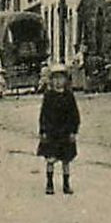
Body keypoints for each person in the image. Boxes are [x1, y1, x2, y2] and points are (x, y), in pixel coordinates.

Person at [37, 64, 80, 195]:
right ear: (51, 80)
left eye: (61, 79)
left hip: (65, 132)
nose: (58, 82)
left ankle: (66, 184)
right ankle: (49, 184)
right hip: (52, 131)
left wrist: (74, 131)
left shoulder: (69, 96)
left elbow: (75, 115)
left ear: (66, 80)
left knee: (66, 160)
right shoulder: (48, 96)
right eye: (55, 79)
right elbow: (43, 114)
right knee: (50, 159)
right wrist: (42, 131)